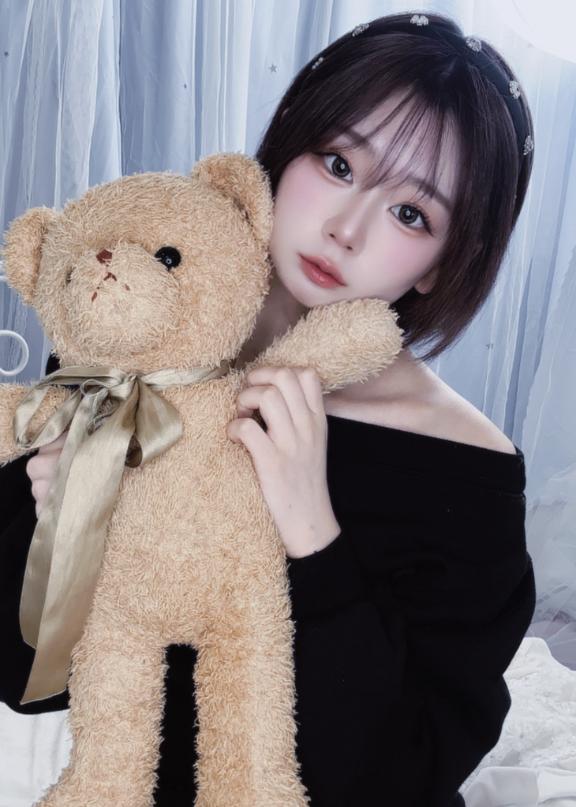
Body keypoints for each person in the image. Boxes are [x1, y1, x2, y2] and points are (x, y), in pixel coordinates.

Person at [0, 11, 537, 807]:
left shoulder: (468, 474)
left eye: (411, 213)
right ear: (286, 150)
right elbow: (23, 682)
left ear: (442, 262)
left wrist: (312, 531)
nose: (347, 229)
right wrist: (66, 528)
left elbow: (404, 777)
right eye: (338, 163)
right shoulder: (145, 323)